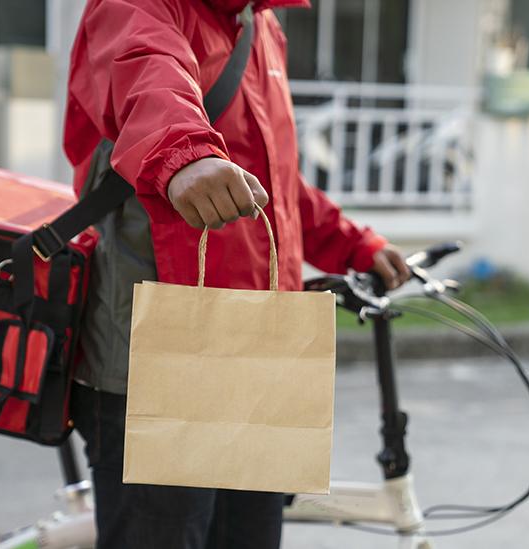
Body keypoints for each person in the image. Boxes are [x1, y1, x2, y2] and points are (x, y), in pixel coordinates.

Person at [62, 0, 409, 547]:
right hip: (161, 359)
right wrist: (185, 154)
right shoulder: (138, 7)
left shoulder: (261, 26)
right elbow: (147, 71)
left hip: (253, 354)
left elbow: (272, 182)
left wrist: (355, 246)